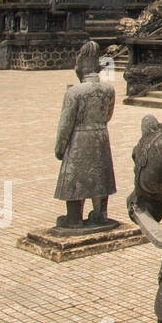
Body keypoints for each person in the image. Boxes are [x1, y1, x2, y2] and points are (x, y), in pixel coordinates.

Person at [53, 41, 116, 229]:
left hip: (79, 138)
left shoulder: (74, 92)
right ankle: (100, 214)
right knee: (100, 176)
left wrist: (60, 147)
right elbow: (108, 115)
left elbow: (65, 124)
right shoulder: (109, 90)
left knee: (76, 178)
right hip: (100, 136)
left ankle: (74, 218)